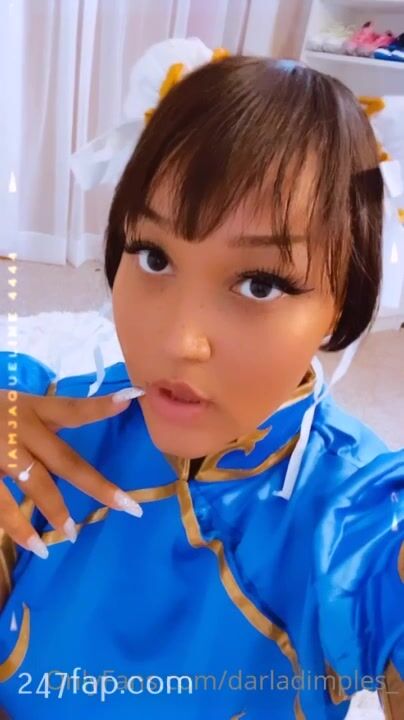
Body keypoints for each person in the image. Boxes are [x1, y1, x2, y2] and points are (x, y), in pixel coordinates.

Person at [0, 37, 403, 720]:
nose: (178, 342)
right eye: (154, 256)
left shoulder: (359, 521)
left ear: (342, 304)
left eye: (261, 283)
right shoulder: (44, 422)